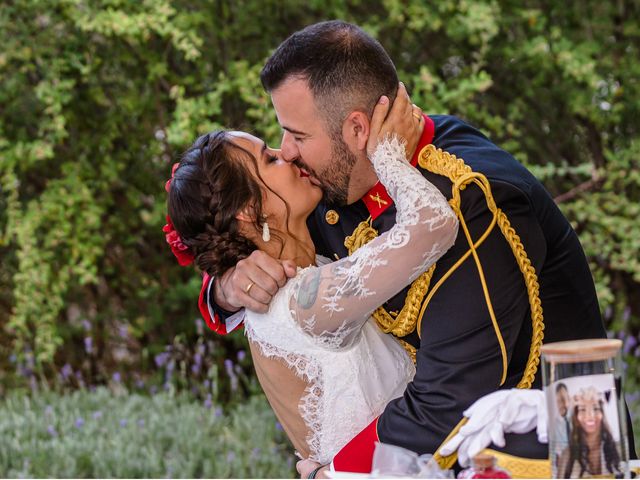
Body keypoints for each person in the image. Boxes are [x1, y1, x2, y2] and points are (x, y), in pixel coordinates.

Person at [193, 20, 636, 476]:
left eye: (297, 136)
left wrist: (336, 471)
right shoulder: (336, 181)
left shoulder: (470, 202)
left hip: (558, 457)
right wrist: (224, 285)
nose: (286, 153)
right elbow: (252, 228)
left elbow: (451, 402)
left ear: (357, 129)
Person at [165, 93, 459, 464]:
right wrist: (387, 155)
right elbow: (434, 225)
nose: (286, 155)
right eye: (269, 159)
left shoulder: (309, 268)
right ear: (247, 210)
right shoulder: (302, 301)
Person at [559, 387, 622, 477]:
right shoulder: (567, 455)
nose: (590, 416)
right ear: (576, 417)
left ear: (602, 414)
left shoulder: (617, 448)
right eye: (583, 409)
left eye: (595, 408)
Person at [554, 383, 573, 461]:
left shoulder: (576, 416)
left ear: (568, 398)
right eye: (559, 401)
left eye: (564, 399)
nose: (563, 404)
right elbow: (557, 452)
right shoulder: (555, 424)